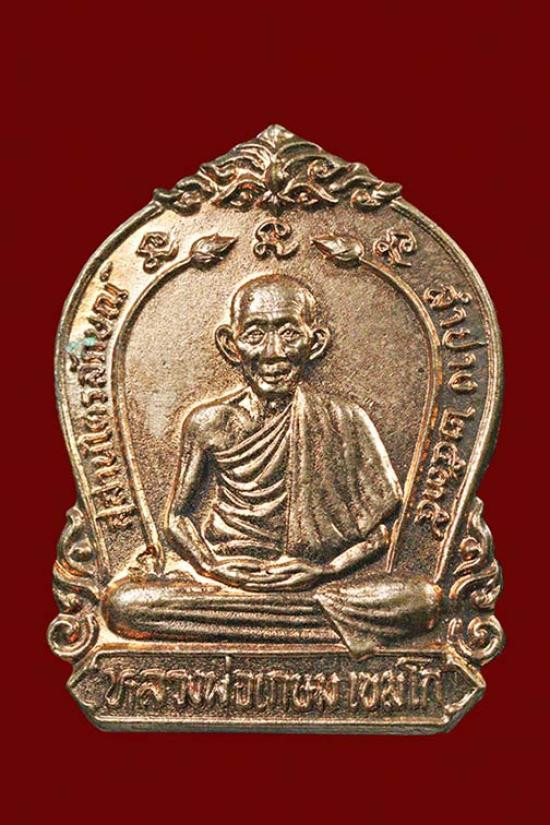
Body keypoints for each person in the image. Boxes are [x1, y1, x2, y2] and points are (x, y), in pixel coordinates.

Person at [165, 273, 402, 592]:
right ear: (230, 344)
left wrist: (325, 570)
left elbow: (380, 535)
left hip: (313, 581)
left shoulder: (343, 419)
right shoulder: (208, 423)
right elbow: (176, 518)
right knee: (127, 603)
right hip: (228, 577)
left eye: (289, 333)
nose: (273, 352)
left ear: (315, 343)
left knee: (421, 598)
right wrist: (212, 567)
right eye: (254, 334)